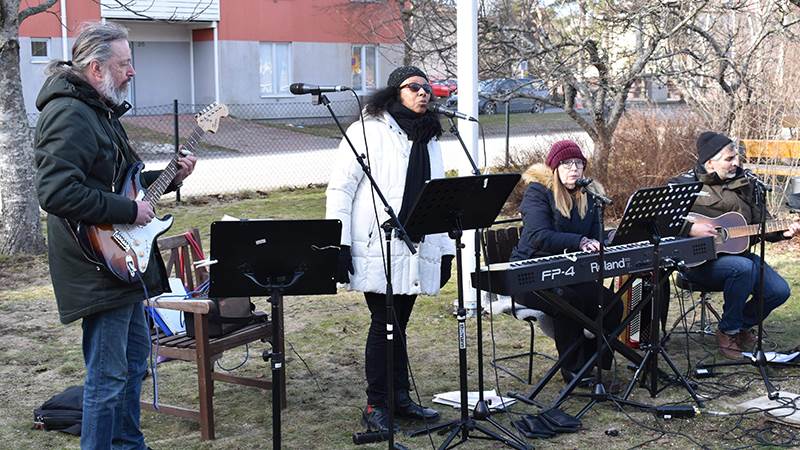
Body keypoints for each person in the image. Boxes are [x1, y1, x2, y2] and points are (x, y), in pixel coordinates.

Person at [34, 22, 197, 449]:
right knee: (106, 377)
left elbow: (121, 183)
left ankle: (129, 444)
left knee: (133, 364)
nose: (132, 72)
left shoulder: (101, 112)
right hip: (95, 264)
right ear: (95, 68)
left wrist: (170, 176)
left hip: (121, 264)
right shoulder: (68, 113)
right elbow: (55, 191)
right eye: (125, 63)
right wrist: (129, 210)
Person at [326, 66, 456, 432]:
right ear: (394, 92)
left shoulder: (430, 136)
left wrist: (445, 249)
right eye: (414, 87)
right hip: (376, 242)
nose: (422, 93)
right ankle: (376, 404)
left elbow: (437, 194)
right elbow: (340, 189)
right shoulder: (367, 130)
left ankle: (398, 398)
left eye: (426, 88)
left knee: (399, 324)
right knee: (384, 323)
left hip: (416, 244)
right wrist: (339, 244)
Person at [670, 132, 799, 359]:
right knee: (743, 268)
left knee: (779, 291)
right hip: (698, 262)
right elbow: (662, 219)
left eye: (736, 157)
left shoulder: (746, 184)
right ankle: (727, 331)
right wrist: (689, 228)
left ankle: (740, 325)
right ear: (709, 162)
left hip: (739, 256)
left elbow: (761, 225)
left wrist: (783, 232)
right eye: (729, 159)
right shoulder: (683, 184)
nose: (736, 163)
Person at [510, 140, 622, 385]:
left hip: (570, 273)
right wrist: (580, 241)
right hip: (530, 276)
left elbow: (597, 235)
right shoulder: (538, 192)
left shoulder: (590, 195)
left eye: (579, 163)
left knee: (612, 305)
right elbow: (539, 236)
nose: (574, 169)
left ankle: (594, 364)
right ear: (554, 167)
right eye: (567, 163)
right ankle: (573, 369)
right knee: (568, 301)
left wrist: (611, 239)